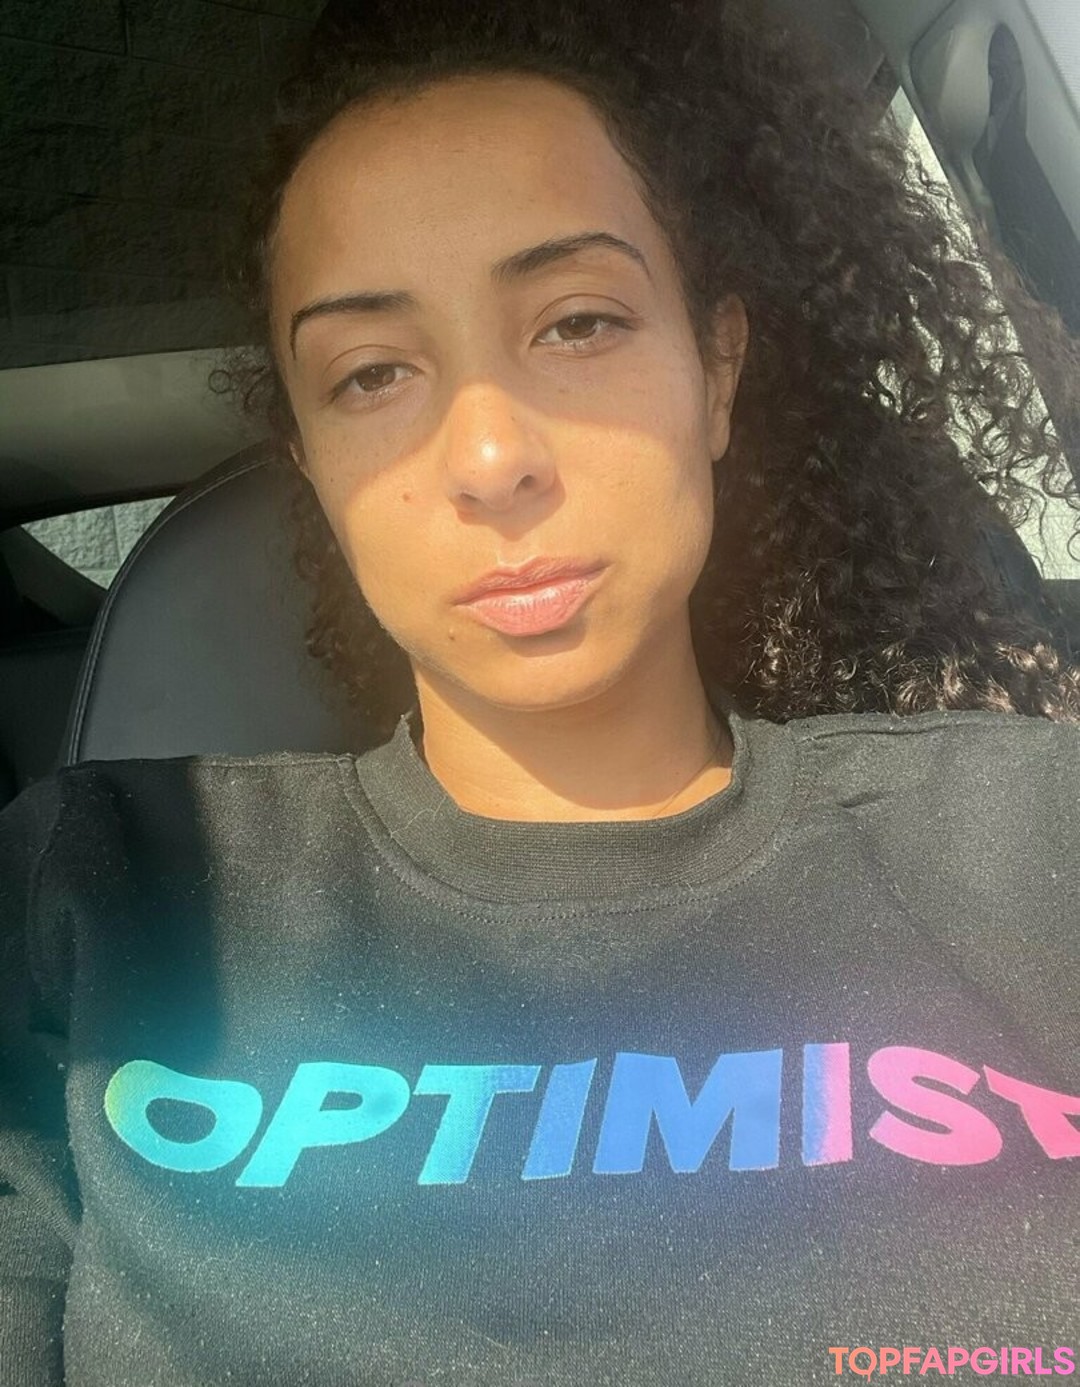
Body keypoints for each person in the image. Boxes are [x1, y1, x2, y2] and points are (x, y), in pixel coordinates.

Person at [1, 1, 1078, 1383]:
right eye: (372, 374)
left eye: (577, 324)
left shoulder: (1037, 837)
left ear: (718, 373)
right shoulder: (90, 892)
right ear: (313, 464)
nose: (490, 455)